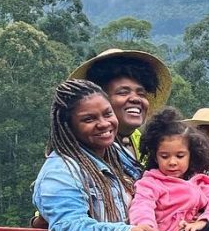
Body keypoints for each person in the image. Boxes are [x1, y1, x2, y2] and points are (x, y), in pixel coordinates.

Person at [32, 79, 166, 231]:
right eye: (89, 119)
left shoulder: (117, 155)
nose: (104, 124)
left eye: (107, 113)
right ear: (69, 126)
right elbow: (73, 230)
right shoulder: (60, 172)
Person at [71, 48, 173, 178]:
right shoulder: (86, 151)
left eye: (141, 94)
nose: (135, 98)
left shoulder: (140, 140)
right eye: (123, 92)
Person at [128, 108, 209, 231]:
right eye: (164, 156)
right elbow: (142, 205)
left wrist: (201, 222)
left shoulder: (200, 182)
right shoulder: (150, 182)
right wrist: (147, 227)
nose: (172, 162)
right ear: (155, 157)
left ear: (191, 155)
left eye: (180, 156)